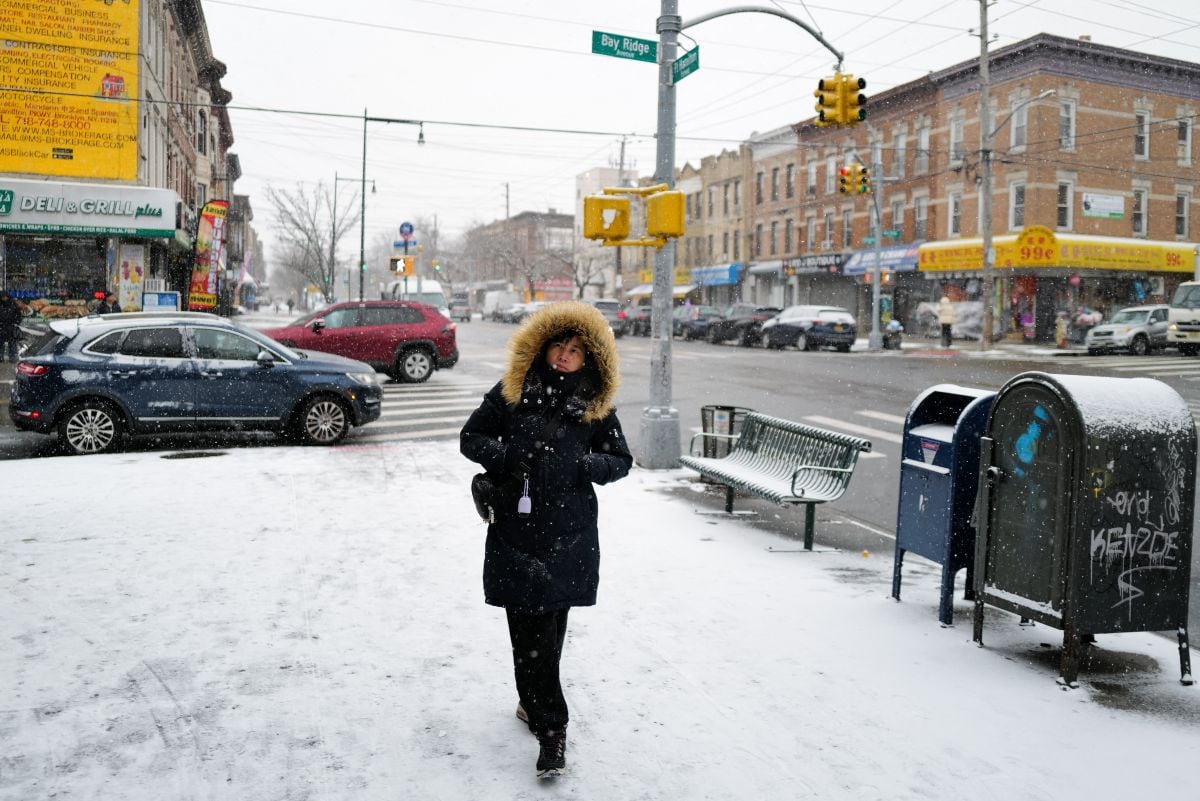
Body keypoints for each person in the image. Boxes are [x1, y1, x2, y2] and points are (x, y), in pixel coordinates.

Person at [460, 301, 632, 779]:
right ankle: (552, 729)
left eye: (576, 349)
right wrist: (505, 458)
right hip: (516, 531)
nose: (564, 355)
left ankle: (531, 700)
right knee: (529, 633)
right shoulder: (513, 391)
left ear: (589, 358)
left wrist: (588, 465)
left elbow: (620, 459)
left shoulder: (594, 404)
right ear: (542, 346)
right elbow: (471, 438)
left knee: (549, 631)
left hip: (569, 535)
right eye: (559, 344)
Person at [0, 291, 22, 362]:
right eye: (2, 297)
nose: (4, 298)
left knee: (12, 342)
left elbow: (18, 314)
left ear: (7, 296)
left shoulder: (13, 304)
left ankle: (13, 357)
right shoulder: (2, 304)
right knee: (1, 343)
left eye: (4, 297)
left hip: (11, 326)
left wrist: (16, 323)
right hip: (1, 326)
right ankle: (1, 357)